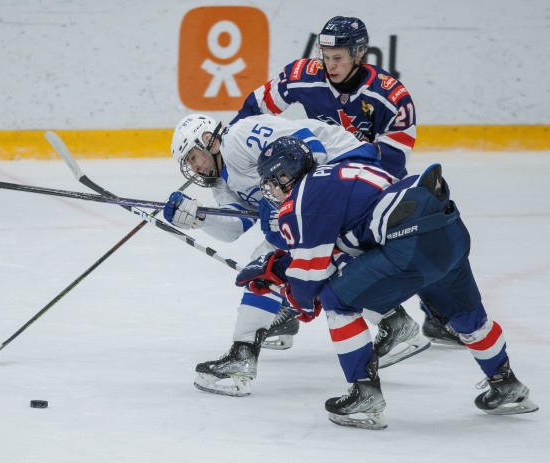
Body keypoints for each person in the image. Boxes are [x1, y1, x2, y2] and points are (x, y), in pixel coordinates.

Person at [235, 136, 538, 429]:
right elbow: (346, 246)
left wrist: (296, 298)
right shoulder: (342, 169)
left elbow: (309, 275)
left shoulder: (300, 200)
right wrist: (285, 268)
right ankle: (506, 384)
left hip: (410, 242)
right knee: (467, 318)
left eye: (271, 182)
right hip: (449, 232)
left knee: (337, 300)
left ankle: (365, 394)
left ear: (285, 175)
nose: (271, 192)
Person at [163, 113, 429, 397]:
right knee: (318, 266)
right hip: (328, 187)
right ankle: (395, 322)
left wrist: (288, 203)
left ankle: (241, 359)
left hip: (348, 169)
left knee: (270, 263)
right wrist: (197, 218)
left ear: (208, 140)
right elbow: (235, 226)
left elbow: (308, 148)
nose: (194, 167)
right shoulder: (222, 183)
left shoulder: (239, 136)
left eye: (193, 157)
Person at [232, 15, 460, 346]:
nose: (330, 65)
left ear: (359, 53)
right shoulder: (302, 76)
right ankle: (285, 307)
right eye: (325, 56)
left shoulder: (391, 97)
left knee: (410, 234)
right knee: (290, 235)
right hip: (314, 182)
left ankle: (441, 315)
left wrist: (347, 205)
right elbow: (253, 109)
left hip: (364, 183)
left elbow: (390, 167)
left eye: (338, 57)